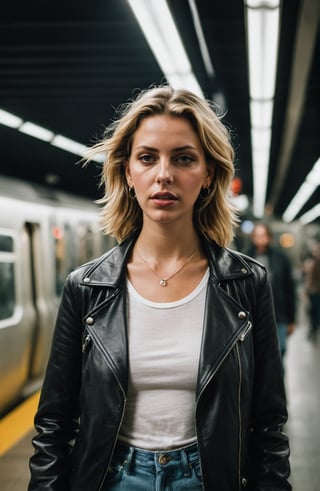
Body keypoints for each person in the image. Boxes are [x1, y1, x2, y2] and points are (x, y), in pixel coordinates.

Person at [28, 85, 291, 491]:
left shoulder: (246, 284)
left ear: (207, 176)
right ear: (128, 173)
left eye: (184, 158)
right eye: (147, 158)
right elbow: (54, 422)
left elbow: (269, 423)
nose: (164, 174)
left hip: (209, 478)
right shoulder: (87, 288)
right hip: (110, 478)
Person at [245, 222, 296, 371]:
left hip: (278, 314)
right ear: (253, 238)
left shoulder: (281, 259)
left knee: (279, 353)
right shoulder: (245, 258)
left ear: (269, 237)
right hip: (252, 315)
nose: (260, 239)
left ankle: (277, 390)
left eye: (263, 236)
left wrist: (291, 319)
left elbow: (289, 289)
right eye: (257, 236)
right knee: (256, 356)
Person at [303, 241, 320, 341]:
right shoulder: (312, 263)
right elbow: (309, 278)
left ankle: (314, 328)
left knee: (314, 312)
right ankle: (313, 329)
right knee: (312, 311)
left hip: (315, 291)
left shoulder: (314, 263)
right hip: (313, 291)